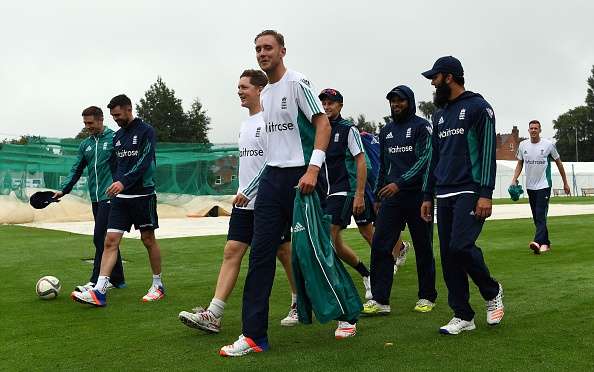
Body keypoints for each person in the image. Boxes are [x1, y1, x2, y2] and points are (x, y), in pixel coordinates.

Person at [219, 30, 334, 357]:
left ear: (282, 51)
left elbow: (322, 124)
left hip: (302, 176)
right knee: (260, 255)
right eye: (258, 48)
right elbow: (270, 153)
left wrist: (313, 169)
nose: (262, 52)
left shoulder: (297, 83)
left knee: (313, 252)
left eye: (268, 47)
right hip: (273, 181)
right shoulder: (266, 95)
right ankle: (253, 335)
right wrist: (250, 188)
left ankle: (346, 312)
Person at [178, 69, 298, 333]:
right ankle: (214, 314)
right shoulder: (245, 125)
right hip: (243, 203)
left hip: (269, 202)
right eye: (239, 87)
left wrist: (253, 189)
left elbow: (275, 162)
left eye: (244, 87)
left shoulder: (271, 121)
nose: (239, 92)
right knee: (232, 251)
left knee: (284, 252)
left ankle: (298, 301)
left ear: (259, 90)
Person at [420, 56, 504, 335]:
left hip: (470, 188)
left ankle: (492, 292)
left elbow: (489, 151)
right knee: (448, 254)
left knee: (460, 246)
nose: (432, 82)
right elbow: (434, 157)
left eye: (435, 77)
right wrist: (427, 195)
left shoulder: (479, 108)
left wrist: (486, 193)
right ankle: (463, 315)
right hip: (442, 192)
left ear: (449, 77)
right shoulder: (439, 113)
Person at [71, 94, 164, 306]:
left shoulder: (146, 131)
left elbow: (144, 161)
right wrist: (116, 182)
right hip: (120, 198)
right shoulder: (118, 136)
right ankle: (100, 290)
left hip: (143, 195)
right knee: (109, 241)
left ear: (129, 109)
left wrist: (123, 181)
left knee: (148, 240)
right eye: (113, 116)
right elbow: (115, 164)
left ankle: (158, 284)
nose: (116, 119)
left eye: (118, 114)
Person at [362, 85, 437, 316]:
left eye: (400, 101)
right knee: (381, 245)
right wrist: (376, 195)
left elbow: (424, 160)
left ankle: (426, 296)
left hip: (418, 196)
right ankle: (380, 300)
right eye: (392, 101)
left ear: (410, 102)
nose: (396, 105)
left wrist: (399, 183)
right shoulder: (386, 131)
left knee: (423, 247)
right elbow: (383, 165)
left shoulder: (422, 126)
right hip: (391, 198)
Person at [54, 106, 126, 292]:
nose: (87, 126)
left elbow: (126, 163)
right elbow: (76, 169)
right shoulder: (85, 144)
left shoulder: (115, 139)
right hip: (95, 198)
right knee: (108, 239)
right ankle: (117, 279)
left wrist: (123, 184)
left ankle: (96, 281)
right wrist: (64, 190)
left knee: (99, 238)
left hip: (111, 196)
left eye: (90, 123)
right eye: (85, 123)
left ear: (101, 120)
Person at [317, 88, 372, 300]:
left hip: (344, 190)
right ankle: (366, 274)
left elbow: (361, 160)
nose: (326, 106)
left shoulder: (348, 129)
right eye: (324, 103)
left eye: (331, 103)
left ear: (340, 105)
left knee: (328, 237)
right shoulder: (319, 129)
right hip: (325, 193)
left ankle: (337, 289)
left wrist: (359, 194)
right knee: (335, 242)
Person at [511, 120, 570, 254]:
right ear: (528, 130)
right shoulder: (523, 145)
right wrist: (514, 179)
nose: (533, 130)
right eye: (531, 128)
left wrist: (565, 182)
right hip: (530, 186)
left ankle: (537, 242)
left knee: (540, 214)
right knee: (537, 216)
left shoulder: (548, 145)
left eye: (536, 128)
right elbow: (520, 164)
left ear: (540, 130)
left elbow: (559, 164)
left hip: (544, 185)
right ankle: (546, 243)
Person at [358, 128, 410, 275]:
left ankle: (390, 259)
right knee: (370, 226)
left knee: (385, 222)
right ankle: (396, 251)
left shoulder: (359, 138)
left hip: (378, 183)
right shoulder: (370, 137)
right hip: (375, 183)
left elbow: (369, 165)